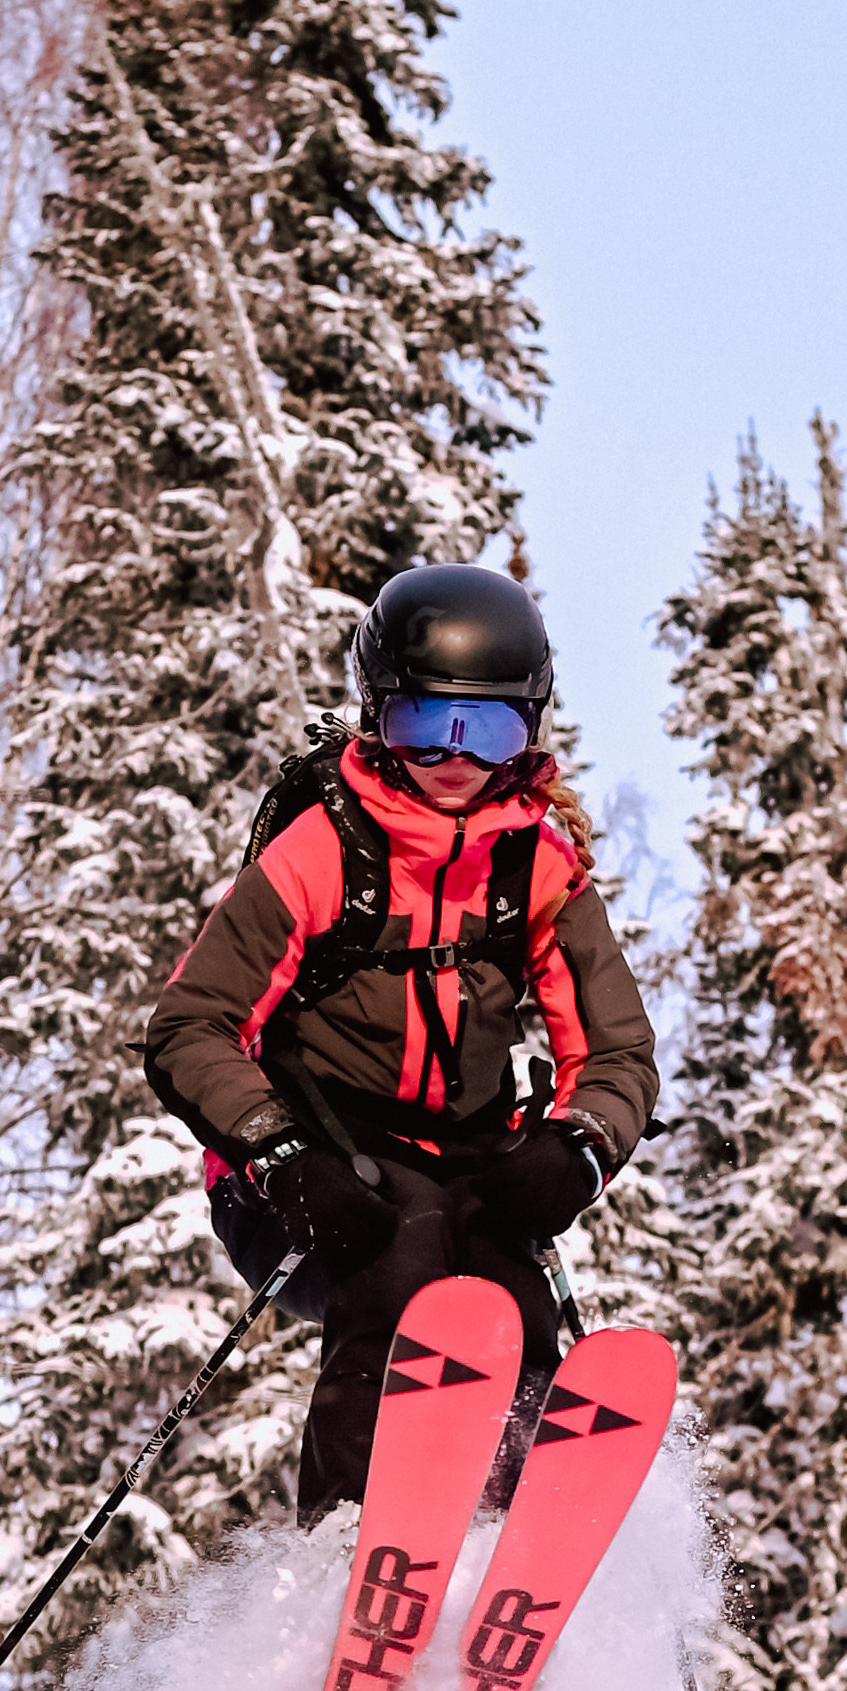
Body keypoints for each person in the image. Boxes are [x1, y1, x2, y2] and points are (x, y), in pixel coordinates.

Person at [145, 563, 659, 1523]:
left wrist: (577, 1144)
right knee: (406, 1243)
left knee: (504, 1271)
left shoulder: (537, 866)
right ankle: (347, 1537)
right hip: (306, 1170)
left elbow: (617, 1051)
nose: (455, 754)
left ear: (530, 731)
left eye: (490, 726)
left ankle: (514, 1532)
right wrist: (277, 1153)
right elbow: (191, 1024)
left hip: (460, 1152)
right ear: (380, 715)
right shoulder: (324, 847)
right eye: (426, 722)